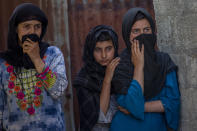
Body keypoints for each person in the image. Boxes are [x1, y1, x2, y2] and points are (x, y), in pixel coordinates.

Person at [110, 7, 180, 131]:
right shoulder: (120, 66)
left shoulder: (164, 62)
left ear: (153, 31)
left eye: (146, 30)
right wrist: (139, 67)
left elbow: (173, 103)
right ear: (127, 35)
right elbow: (132, 103)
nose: (142, 35)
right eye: (136, 31)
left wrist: (142, 107)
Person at [0, 3, 68, 131]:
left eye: (37, 27)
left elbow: (58, 91)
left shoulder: (52, 54)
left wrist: (36, 59)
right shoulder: (3, 63)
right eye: (26, 26)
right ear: (16, 29)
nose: (32, 32)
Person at [73, 25, 120, 131]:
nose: (104, 55)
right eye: (98, 50)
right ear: (91, 51)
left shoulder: (121, 70)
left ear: (115, 48)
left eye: (108, 49)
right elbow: (100, 117)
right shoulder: (84, 79)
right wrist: (107, 79)